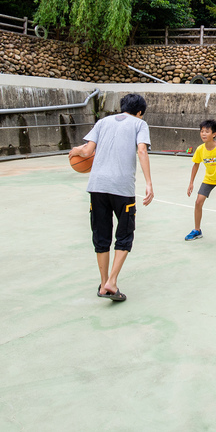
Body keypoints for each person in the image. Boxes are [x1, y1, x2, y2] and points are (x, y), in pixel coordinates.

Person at [68, 93, 154, 301]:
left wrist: (75, 150)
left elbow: (87, 151)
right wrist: (149, 182)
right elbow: (142, 150)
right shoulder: (139, 124)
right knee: (124, 235)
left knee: (102, 236)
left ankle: (103, 282)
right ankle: (112, 282)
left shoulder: (102, 122)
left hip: (97, 186)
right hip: (122, 188)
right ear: (140, 112)